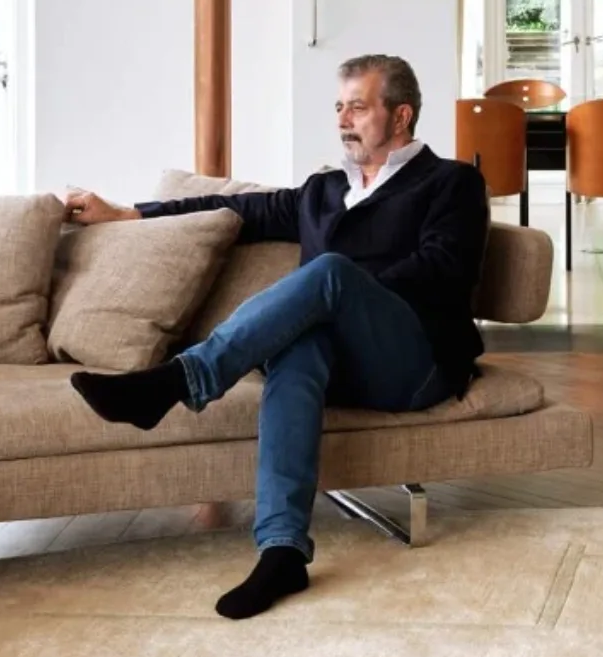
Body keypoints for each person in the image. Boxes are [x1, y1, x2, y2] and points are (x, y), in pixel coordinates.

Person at [61, 53, 489, 619]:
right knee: (298, 346)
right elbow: (233, 208)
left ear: (401, 116)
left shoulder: (451, 183)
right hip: (341, 367)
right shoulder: (322, 190)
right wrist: (127, 214)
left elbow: (443, 271)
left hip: (415, 361)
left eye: (357, 107)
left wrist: (339, 293)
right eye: (339, 106)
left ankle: (181, 380)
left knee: (330, 274)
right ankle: (282, 550)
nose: (343, 119)